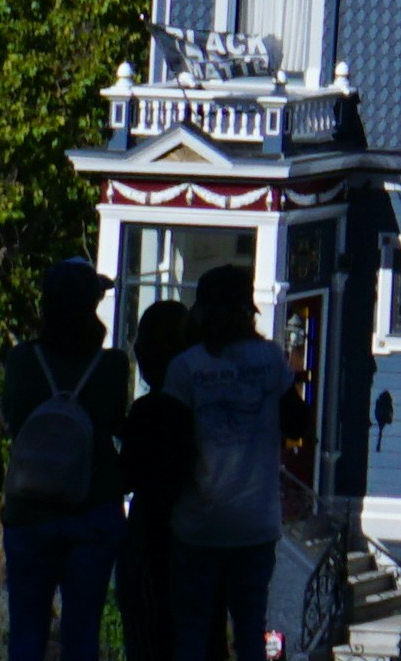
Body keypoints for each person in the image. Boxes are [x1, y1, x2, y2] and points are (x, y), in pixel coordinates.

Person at [150, 266, 305, 661]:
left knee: (192, 634)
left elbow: (170, 447)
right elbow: (299, 421)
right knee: (251, 635)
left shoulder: (186, 368)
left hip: (199, 521)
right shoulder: (270, 360)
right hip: (255, 521)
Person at [0, 260, 136, 661]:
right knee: (82, 635)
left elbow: (14, 419)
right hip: (94, 507)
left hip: (30, 509)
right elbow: (116, 423)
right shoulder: (113, 365)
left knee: (26, 635)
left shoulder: (22, 360)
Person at [118, 304, 203, 661]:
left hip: (151, 544)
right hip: (196, 544)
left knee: (148, 641)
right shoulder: (204, 409)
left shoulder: (151, 411)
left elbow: (127, 476)